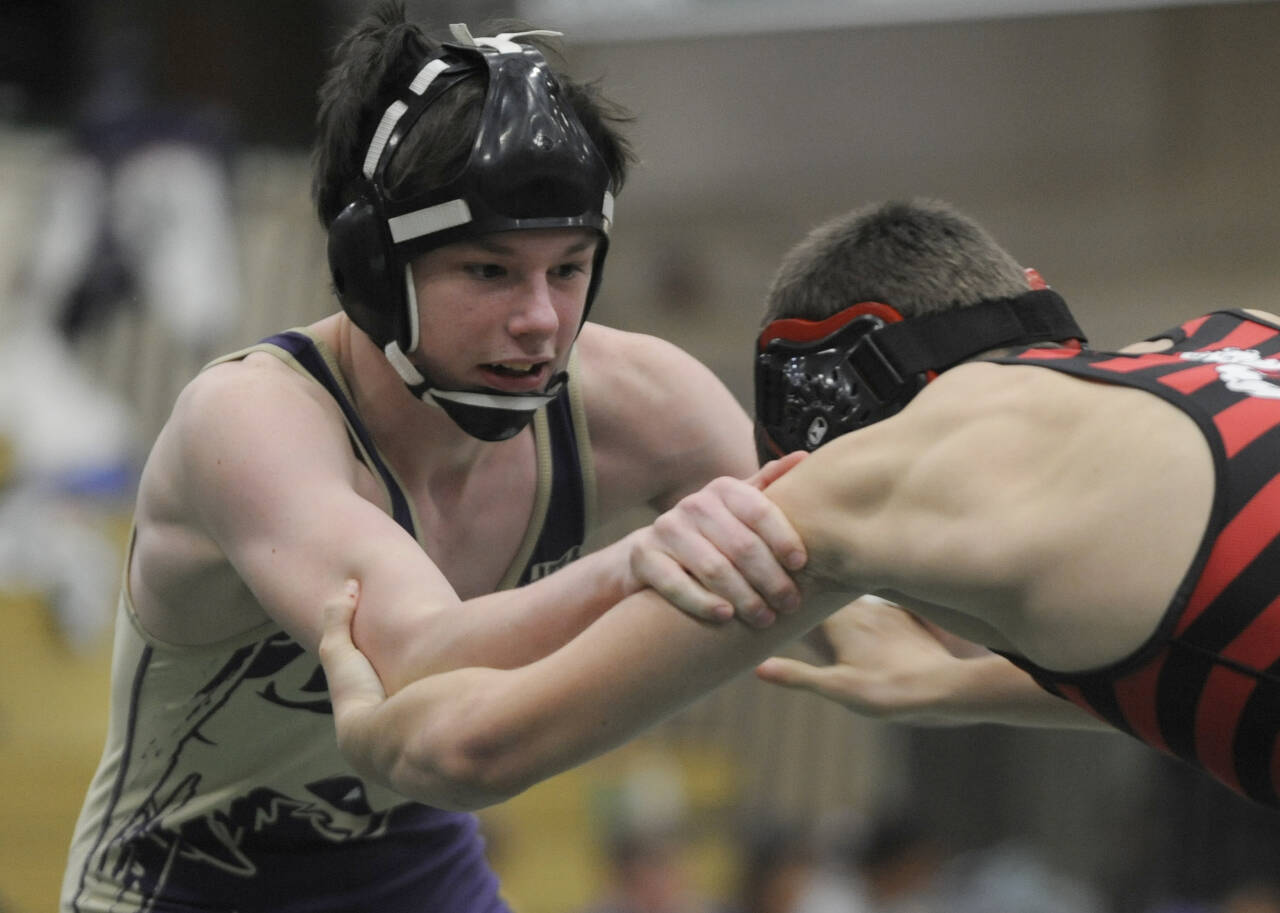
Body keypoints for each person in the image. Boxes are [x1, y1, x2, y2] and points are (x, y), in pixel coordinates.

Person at [59, 5, 810, 911]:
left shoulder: (637, 400)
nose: (540, 318)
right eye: (490, 272)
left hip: (420, 869)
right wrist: (632, 564)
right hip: (178, 882)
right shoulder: (250, 418)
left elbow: (842, 566)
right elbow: (417, 657)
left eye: (568, 268)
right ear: (373, 269)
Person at [318, 196, 1280, 822]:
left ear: (835, 411)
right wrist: (968, 685)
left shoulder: (876, 475)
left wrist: (367, 731)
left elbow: (480, 746)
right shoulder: (1241, 332)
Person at [741, 197, 1280, 809]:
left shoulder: (911, 461)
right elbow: (1215, 639)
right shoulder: (1245, 334)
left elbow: (671, 425)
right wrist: (954, 686)